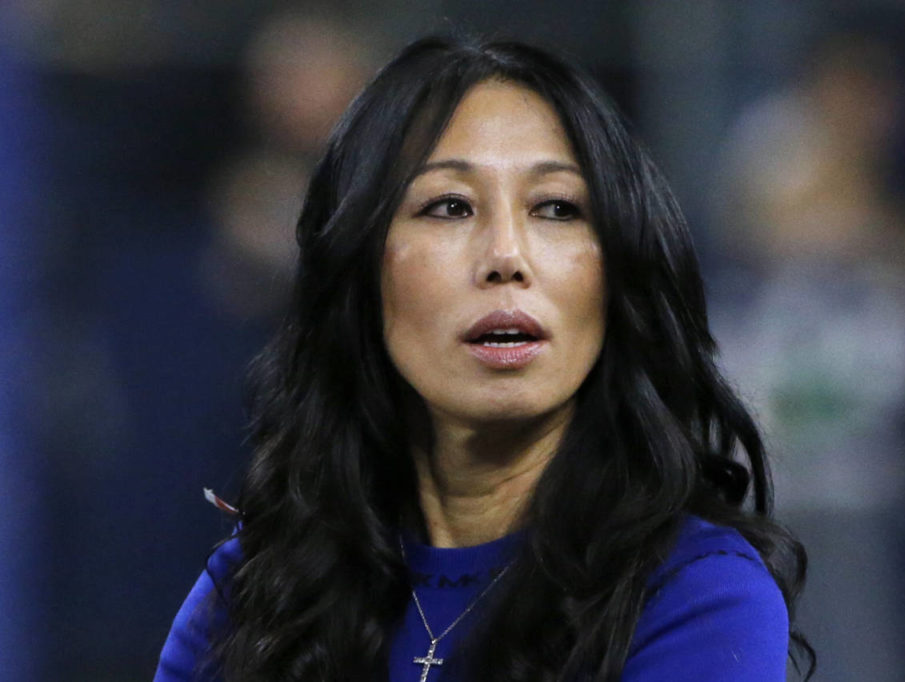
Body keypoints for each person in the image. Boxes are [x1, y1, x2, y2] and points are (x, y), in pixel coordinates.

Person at [155, 35, 813, 682]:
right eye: (450, 207)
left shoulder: (697, 594)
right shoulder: (258, 590)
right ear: (361, 268)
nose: (506, 256)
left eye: (557, 208)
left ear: (618, 270)